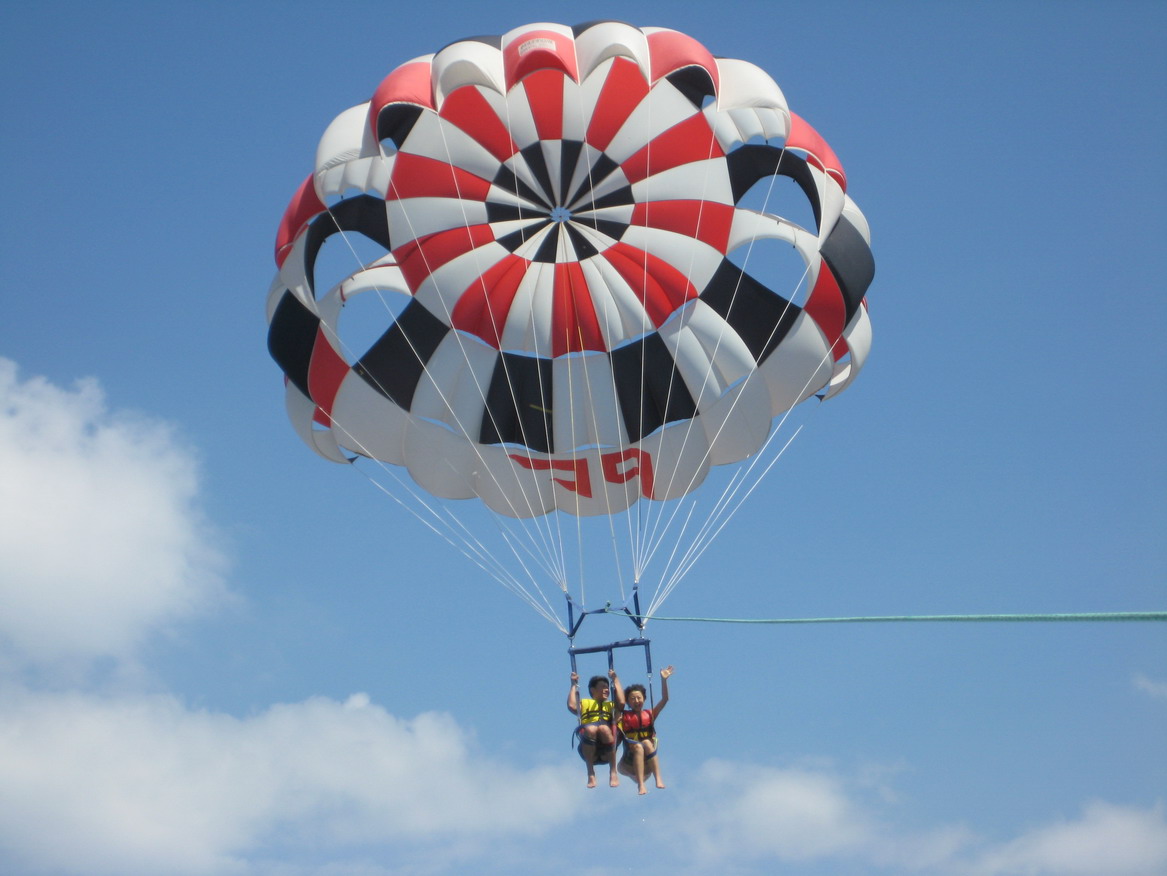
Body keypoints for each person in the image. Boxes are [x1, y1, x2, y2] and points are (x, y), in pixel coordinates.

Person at [617, 665, 673, 794]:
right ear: (628, 702)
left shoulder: (650, 714)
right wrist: (615, 680)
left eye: (639, 698)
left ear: (644, 699)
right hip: (628, 762)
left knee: (647, 743)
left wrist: (664, 680)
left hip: (647, 763)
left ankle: (658, 778)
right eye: (632, 698)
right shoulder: (623, 716)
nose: (636, 701)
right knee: (638, 747)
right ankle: (641, 785)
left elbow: (665, 700)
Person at [567, 668, 624, 788]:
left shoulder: (612, 705)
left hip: (606, 749)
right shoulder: (585, 703)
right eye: (603, 687)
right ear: (593, 690)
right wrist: (573, 685)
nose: (607, 689)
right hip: (589, 748)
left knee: (603, 728)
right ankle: (590, 773)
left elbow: (622, 703)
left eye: (607, 687)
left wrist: (615, 680)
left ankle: (613, 771)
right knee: (591, 729)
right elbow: (572, 706)